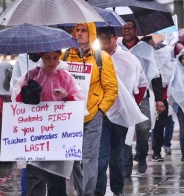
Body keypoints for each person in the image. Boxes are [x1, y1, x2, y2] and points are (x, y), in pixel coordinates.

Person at [12, 50, 85, 196]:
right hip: (35, 135)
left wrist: (65, 96)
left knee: (57, 179)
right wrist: (25, 92)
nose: (51, 62)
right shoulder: (31, 75)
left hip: (59, 136)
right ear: (41, 57)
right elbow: (17, 103)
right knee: (35, 177)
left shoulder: (65, 77)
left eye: (55, 58)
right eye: (47, 58)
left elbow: (79, 104)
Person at [60, 22, 118, 196]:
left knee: (89, 158)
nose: (79, 33)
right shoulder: (65, 56)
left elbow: (112, 89)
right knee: (72, 159)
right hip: (70, 114)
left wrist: (101, 110)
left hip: (93, 115)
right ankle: (80, 190)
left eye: (83, 30)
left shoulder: (102, 58)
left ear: (91, 33)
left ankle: (88, 193)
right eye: (77, 30)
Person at [95, 27, 148, 196]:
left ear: (114, 38)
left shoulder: (129, 59)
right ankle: (99, 191)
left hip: (121, 114)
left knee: (117, 154)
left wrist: (131, 104)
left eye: (106, 39)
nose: (103, 42)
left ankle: (117, 190)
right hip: (100, 113)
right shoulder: (93, 58)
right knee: (101, 155)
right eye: (100, 39)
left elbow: (142, 84)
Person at [119, 20, 165, 176]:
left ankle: (142, 155)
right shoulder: (116, 48)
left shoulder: (146, 49)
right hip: (122, 97)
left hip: (142, 96)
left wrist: (159, 99)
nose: (126, 31)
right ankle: (126, 164)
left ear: (135, 30)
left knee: (143, 128)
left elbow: (155, 74)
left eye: (129, 28)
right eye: (123, 28)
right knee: (124, 130)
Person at [10, 52, 41, 196]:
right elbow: (13, 87)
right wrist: (24, 89)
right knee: (27, 162)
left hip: (49, 118)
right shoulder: (22, 58)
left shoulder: (51, 57)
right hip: (27, 118)